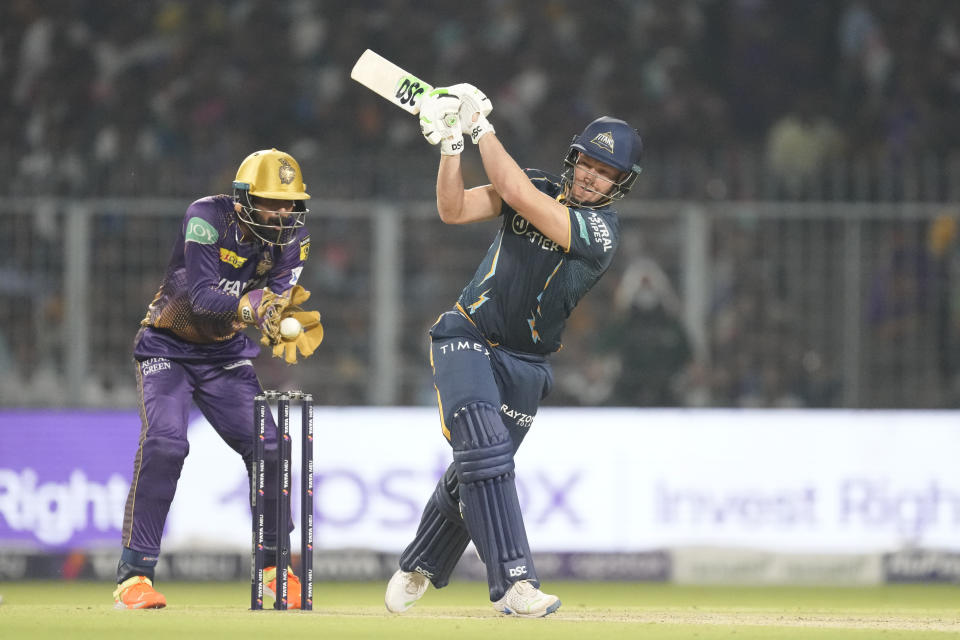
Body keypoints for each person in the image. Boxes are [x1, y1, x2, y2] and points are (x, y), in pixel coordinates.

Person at [384, 84, 643, 617]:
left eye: (607, 173)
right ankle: (515, 583)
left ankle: (421, 563)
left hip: (528, 364)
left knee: (473, 477)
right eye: (589, 163)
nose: (593, 176)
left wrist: (480, 127)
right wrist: (451, 148)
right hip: (467, 334)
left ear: (620, 185)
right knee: (484, 450)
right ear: (575, 159)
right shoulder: (540, 184)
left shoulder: (601, 231)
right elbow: (453, 210)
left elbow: (521, 195)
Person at [112, 149, 324, 609]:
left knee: (270, 447)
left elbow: (278, 295)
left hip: (225, 355)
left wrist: (277, 314)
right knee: (166, 442)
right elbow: (205, 298)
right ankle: (135, 577)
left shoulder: (295, 238)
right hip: (168, 346)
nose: (283, 213)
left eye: (290, 204)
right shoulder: (206, 217)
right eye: (272, 201)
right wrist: (255, 308)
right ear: (244, 197)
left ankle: (272, 569)